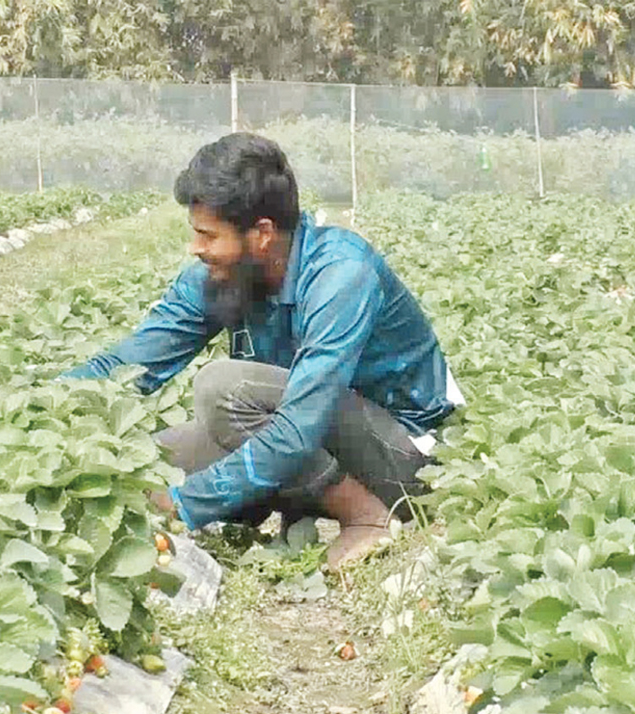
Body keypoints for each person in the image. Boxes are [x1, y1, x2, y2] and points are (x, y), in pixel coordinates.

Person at [60, 132, 464, 568]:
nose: (196, 248)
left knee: (222, 389)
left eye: (208, 235)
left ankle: (366, 518)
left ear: (263, 234)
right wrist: (41, 406)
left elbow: (298, 429)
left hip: (407, 459)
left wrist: (184, 502)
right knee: (140, 469)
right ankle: (277, 501)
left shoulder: (341, 273)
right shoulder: (224, 276)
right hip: (313, 441)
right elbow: (129, 364)